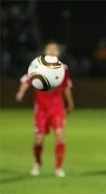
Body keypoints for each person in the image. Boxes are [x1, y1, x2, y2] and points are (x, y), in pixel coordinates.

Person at [15, 40, 75, 177]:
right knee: (39, 139)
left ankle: (58, 168)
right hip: (41, 108)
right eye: (50, 49)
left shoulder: (63, 68)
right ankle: (37, 163)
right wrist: (21, 92)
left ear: (59, 53)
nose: (53, 52)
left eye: (55, 50)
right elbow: (26, 80)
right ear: (45, 52)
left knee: (59, 135)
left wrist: (70, 103)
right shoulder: (37, 66)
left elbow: (66, 87)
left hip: (57, 107)